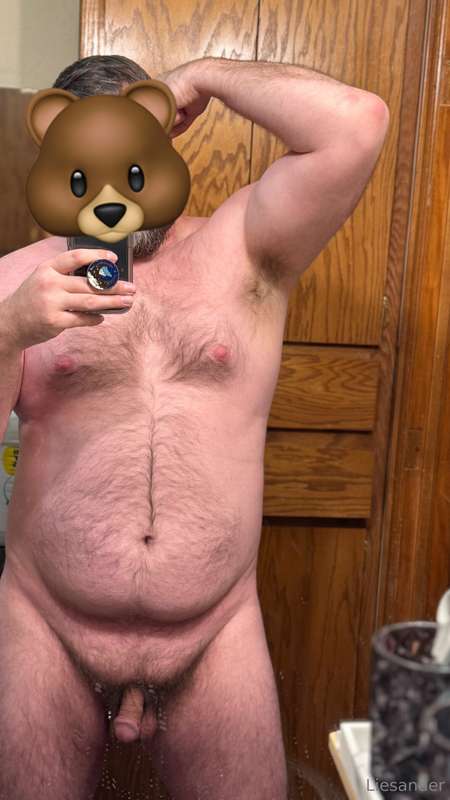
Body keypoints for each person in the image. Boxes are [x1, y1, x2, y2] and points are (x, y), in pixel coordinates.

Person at [0, 54, 389, 800]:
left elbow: (357, 123)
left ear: (167, 137)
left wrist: (205, 76)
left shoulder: (247, 247)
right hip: (46, 622)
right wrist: (11, 329)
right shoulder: (18, 280)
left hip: (214, 630)